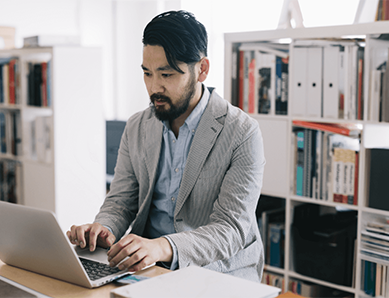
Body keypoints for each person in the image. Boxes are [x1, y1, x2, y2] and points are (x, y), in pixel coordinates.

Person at [66, 10, 265, 282]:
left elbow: (230, 229)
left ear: (202, 69)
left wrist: (163, 246)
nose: (153, 87)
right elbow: (121, 200)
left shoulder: (242, 132)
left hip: (219, 272)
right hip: (148, 268)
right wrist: (105, 229)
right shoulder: (137, 126)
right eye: (147, 73)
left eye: (167, 74)